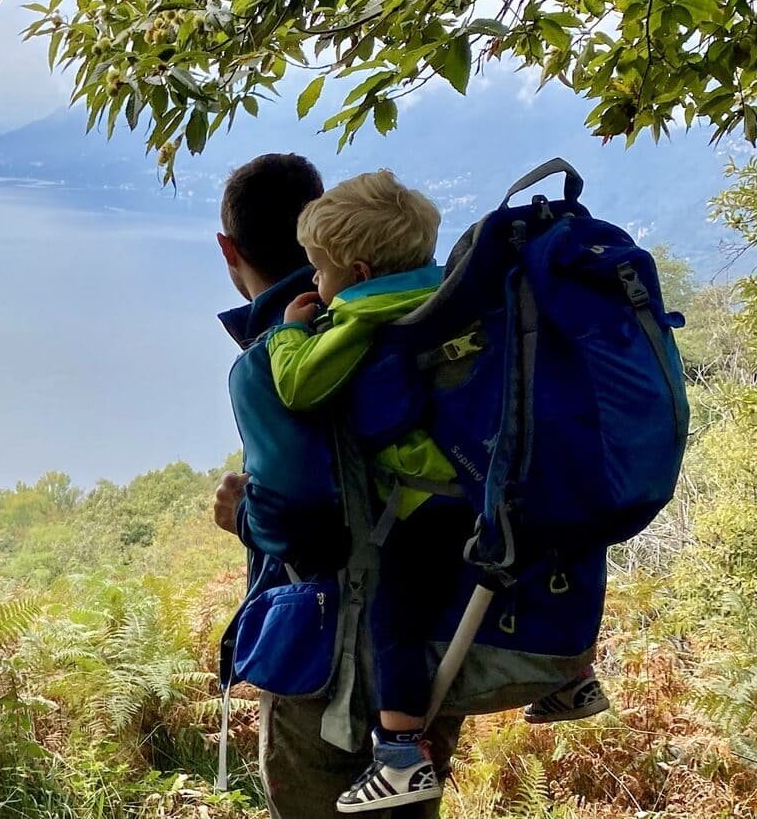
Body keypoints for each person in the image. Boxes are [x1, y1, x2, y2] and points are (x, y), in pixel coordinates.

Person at [266, 171, 609, 813]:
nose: (314, 283)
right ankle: (571, 675)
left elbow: (299, 386)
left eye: (318, 270)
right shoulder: (453, 293)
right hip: (497, 485)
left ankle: (399, 755)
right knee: (516, 578)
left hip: (429, 505)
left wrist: (289, 331)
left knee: (395, 620)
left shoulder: (366, 313)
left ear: (359, 270)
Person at [212, 154, 461, 819]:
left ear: (227, 250)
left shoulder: (277, 356)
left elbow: (306, 527)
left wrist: (241, 515)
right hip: (434, 644)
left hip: (329, 670)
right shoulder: (424, 310)